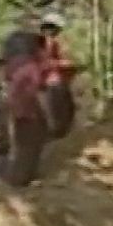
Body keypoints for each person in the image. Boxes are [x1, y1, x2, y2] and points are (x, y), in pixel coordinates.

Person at [3, 41, 51, 187]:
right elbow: (38, 93)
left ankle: (20, 178)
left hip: (18, 110)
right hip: (27, 112)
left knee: (23, 145)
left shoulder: (23, 67)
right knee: (30, 145)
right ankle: (21, 179)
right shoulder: (33, 69)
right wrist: (48, 114)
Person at [37, 10, 77, 138]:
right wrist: (62, 64)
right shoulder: (41, 44)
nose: (53, 32)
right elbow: (43, 63)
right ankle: (56, 133)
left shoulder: (53, 43)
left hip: (58, 81)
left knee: (68, 108)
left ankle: (60, 133)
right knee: (57, 110)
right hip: (51, 82)